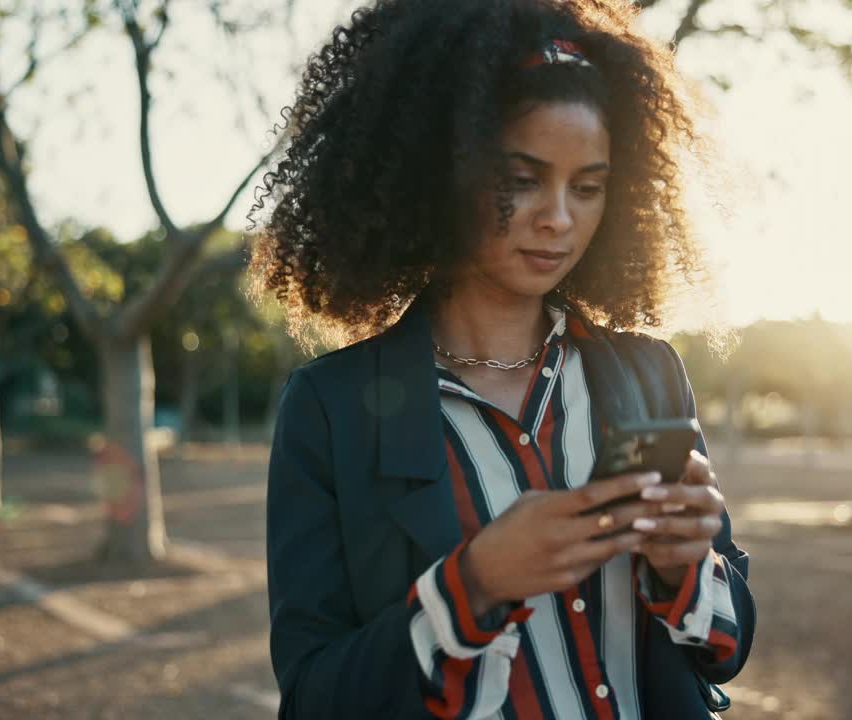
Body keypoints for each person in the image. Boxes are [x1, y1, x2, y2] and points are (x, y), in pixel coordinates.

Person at [248, 1, 755, 717]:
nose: (559, 217)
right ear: (441, 175)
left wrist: (686, 569)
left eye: (588, 186)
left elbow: (728, 646)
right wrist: (475, 584)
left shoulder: (649, 374)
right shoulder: (331, 408)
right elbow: (313, 698)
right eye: (521, 179)